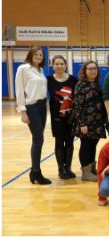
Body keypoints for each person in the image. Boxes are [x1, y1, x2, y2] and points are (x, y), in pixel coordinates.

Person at [16, 47, 50, 184]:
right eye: (36, 54)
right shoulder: (23, 69)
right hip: (32, 107)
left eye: (41, 55)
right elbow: (19, 90)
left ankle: (34, 171)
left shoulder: (41, 70)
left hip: (42, 106)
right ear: (30, 55)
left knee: (37, 140)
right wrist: (23, 112)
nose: (38, 56)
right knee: (39, 139)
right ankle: (36, 172)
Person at [72, 61, 106, 181]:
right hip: (86, 122)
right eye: (90, 69)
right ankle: (85, 173)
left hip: (97, 121)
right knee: (86, 146)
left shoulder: (96, 83)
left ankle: (91, 169)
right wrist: (82, 124)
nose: (93, 71)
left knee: (93, 145)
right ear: (85, 71)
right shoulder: (81, 85)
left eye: (95, 68)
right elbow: (77, 105)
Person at [48, 55, 79, 180]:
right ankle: (61, 168)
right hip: (57, 118)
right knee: (59, 142)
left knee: (70, 142)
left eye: (62, 64)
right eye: (57, 64)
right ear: (52, 65)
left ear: (66, 65)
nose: (59, 66)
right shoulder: (48, 80)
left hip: (71, 117)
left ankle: (68, 167)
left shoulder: (73, 80)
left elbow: (78, 97)